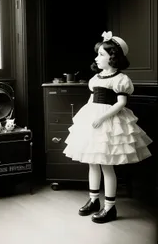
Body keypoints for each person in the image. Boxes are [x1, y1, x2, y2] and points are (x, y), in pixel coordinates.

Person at [63, 31, 153, 223]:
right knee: (92, 162)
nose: (97, 57)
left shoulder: (120, 79)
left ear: (113, 58)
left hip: (110, 122)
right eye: (98, 54)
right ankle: (94, 199)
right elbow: (91, 98)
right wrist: (85, 117)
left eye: (101, 54)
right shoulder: (96, 78)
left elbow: (121, 103)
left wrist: (102, 118)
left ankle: (110, 207)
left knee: (106, 165)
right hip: (93, 119)